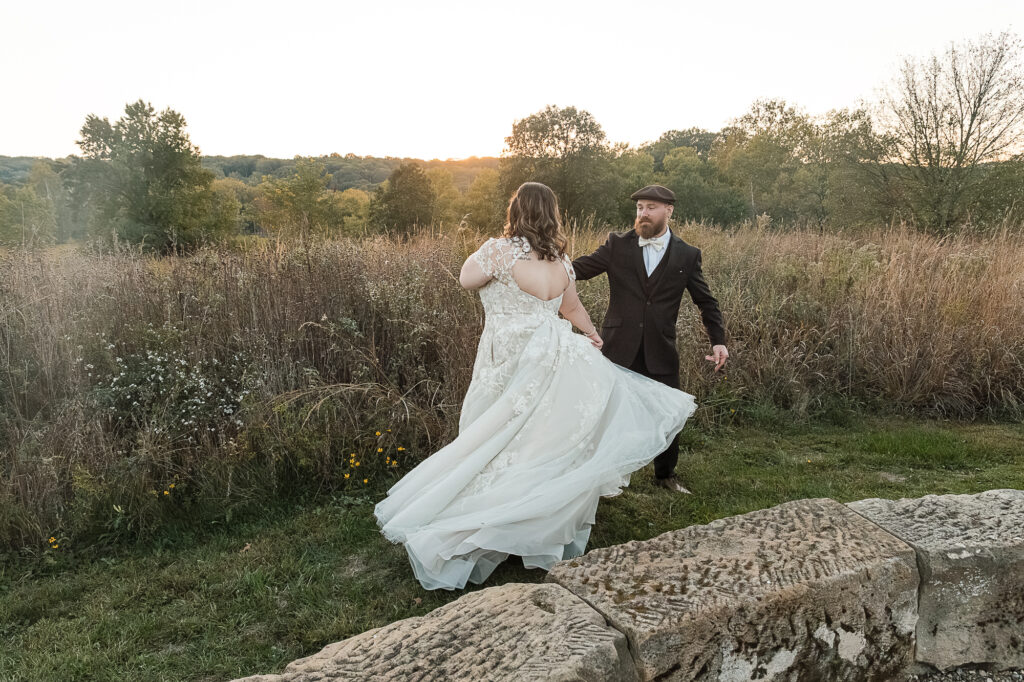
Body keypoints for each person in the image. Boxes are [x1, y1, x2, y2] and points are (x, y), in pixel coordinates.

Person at [373, 182, 697, 591]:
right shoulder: (561, 261)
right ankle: (535, 517)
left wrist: (492, 252)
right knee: (546, 439)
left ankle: (492, 513)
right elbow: (571, 307)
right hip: (556, 350)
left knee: (494, 433)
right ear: (552, 214)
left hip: (510, 355)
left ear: (516, 211)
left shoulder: (497, 250)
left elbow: (465, 279)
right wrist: (593, 335)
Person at [572, 184, 728, 494]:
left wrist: (718, 340)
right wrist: (541, 264)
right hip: (617, 347)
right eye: (640, 207)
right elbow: (579, 269)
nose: (643, 213)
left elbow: (706, 301)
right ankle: (594, 476)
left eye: (650, 207)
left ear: (669, 210)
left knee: (669, 415)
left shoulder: (687, 254)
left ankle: (665, 476)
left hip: (660, 348)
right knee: (605, 413)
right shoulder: (617, 244)